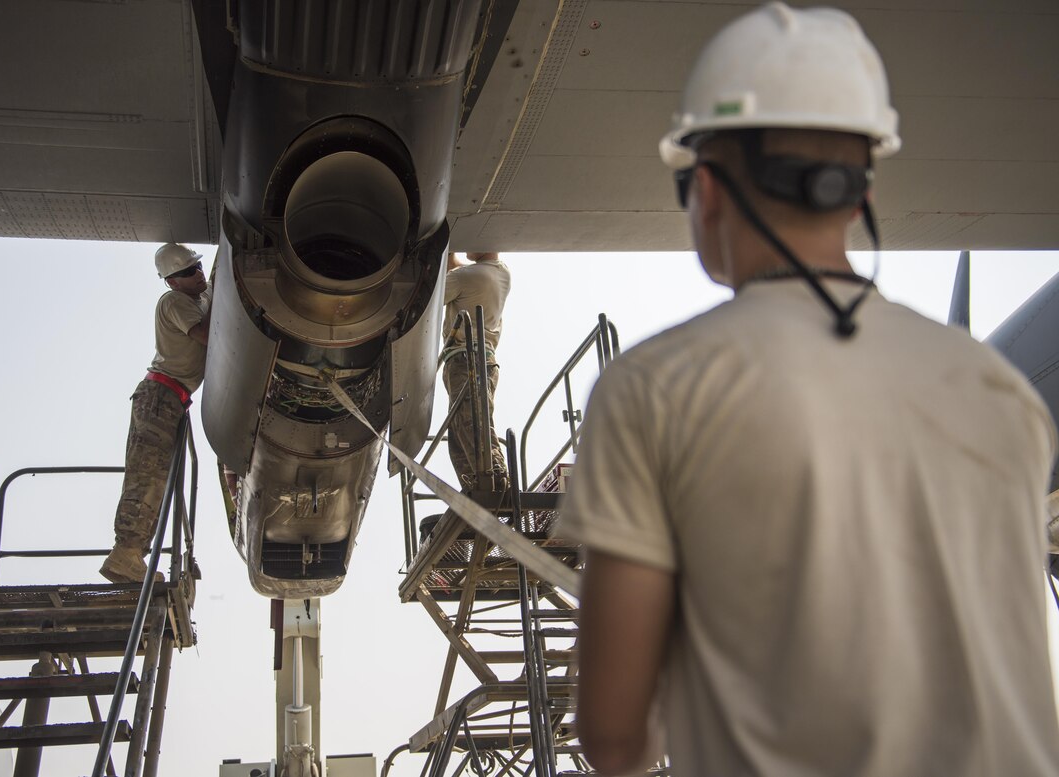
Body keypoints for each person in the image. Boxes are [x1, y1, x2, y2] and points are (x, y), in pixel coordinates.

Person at [557, 4, 1059, 776]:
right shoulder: (1003, 394)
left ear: (711, 189)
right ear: (857, 193)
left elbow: (619, 740)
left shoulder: (650, 391)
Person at [100, 243, 211, 583]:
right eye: (188, 272)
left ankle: (132, 554)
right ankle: (126, 555)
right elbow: (208, 335)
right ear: (172, 282)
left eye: (198, 267)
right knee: (147, 476)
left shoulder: (199, 299)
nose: (198, 274)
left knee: (158, 479)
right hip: (160, 395)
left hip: (173, 398)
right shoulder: (175, 302)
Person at [441, 251, 512, 493]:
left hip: (466, 359)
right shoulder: (500, 272)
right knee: (461, 432)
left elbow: (430, 297)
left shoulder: (465, 277)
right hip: (483, 359)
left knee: (471, 421)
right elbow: (463, 271)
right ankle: (476, 487)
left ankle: (495, 481)